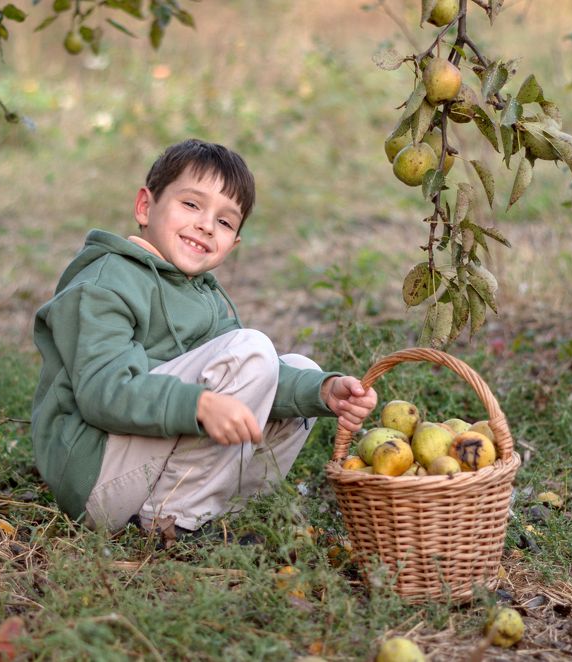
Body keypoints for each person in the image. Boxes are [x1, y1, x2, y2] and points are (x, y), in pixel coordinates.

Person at [30, 138, 377, 536]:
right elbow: (104, 393)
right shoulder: (105, 282)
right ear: (145, 206)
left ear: (234, 244)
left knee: (301, 370)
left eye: (226, 222)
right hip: (97, 476)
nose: (206, 225)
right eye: (191, 204)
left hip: (143, 467)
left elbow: (254, 378)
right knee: (251, 350)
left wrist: (324, 391)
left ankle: (227, 512)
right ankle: (176, 523)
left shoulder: (200, 295)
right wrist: (198, 405)